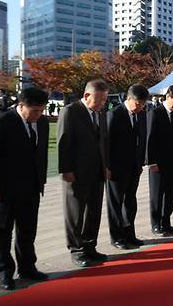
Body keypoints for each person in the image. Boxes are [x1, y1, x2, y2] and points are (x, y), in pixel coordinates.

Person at [0, 88, 50, 290]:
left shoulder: (43, 123)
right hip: (5, 189)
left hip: (31, 187)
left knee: (28, 230)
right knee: (3, 231)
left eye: (41, 110)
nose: (38, 115)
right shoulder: (2, 122)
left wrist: (41, 180)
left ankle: (27, 267)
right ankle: (4, 272)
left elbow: (40, 153)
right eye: (35, 111)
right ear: (21, 106)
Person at [58, 79, 110, 268]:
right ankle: (76, 249)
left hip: (97, 171)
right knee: (75, 213)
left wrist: (106, 165)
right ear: (87, 95)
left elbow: (104, 141)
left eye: (104, 100)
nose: (102, 103)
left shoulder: (101, 113)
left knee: (93, 211)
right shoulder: (70, 112)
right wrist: (66, 170)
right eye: (99, 99)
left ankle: (90, 246)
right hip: (77, 172)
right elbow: (64, 143)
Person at [106, 84, 149, 250]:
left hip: (134, 166)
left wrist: (141, 161)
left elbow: (142, 139)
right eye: (138, 104)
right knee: (116, 203)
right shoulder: (114, 115)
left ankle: (129, 233)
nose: (140, 107)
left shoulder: (142, 115)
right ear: (128, 99)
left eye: (143, 104)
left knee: (130, 202)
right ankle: (116, 236)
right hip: (116, 168)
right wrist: (107, 166)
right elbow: (107, 143)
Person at [146, 84, 173, 237]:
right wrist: (151, 161)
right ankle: (156, 224)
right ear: (169, 97)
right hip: (158, 162)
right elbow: (150, 138)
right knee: (157, 194)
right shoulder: (155, 113)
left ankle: (166, 222)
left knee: (169, 193)